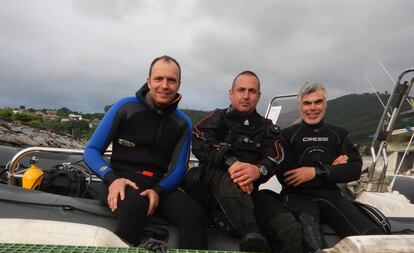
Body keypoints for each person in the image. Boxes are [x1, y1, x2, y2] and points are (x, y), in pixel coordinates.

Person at [83, 55, 207, 249]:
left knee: (193, 212)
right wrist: (112, 178)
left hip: (158, 186)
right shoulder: (125, 107)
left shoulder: (182, 122)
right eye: (159, 79)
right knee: (135, 205)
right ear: (149, 81)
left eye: (171, 80)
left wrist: (159, 190)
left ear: (179, 84)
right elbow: (91, 151)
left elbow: (178, 170)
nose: (164, 85)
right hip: (119, 181)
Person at [185, 71, 303, 253]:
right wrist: (231, 163)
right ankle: (252, 235)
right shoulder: (216, 118)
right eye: (241, 90)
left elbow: (276, 156)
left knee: (289, 227)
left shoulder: (268, 128)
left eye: (252, 91)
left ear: (259, 96)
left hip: (249, 194)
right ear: (231, 93)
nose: (246, 96)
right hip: (211, 192)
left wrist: (259, 169)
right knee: (226, 174)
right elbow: (199, 139)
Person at [278, 82, 385, 251]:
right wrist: (333, 169)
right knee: (309, 232)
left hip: (330, 194)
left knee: (373, 236)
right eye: (307, 103)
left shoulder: (339, 134)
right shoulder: (287, 135)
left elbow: (354, 169)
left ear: (325, 104)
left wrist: (317, 171)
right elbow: (286, 175)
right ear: (300, 106)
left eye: (318, 102)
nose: (313, 108)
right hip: (297, 195)